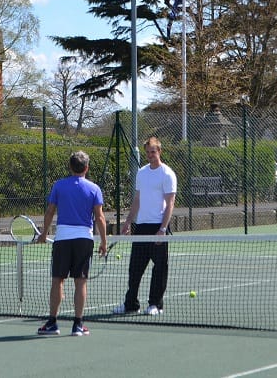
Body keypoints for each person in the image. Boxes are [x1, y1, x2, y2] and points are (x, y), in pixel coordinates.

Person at [37, 150, 107, 336]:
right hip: (84, 240)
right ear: (87, 168)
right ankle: (78, 325)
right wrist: (104, 242)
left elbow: (50, 211)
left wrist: (44, 233)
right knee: (80, 282)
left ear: (70, 167)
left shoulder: (59, 186)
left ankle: (52, 323)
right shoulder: (94, 189)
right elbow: (100, 218)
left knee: (57, 281)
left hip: (62, 240)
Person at [113, 136, 177, 316]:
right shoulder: (141, 173)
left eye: (153, 152)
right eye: (148, 152)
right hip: (141, 227)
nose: (150, 155)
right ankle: (131, 304)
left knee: (159, 268)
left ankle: (155, 304)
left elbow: (170, 203)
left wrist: (163, 229)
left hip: (158, 227)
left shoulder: (167, 174)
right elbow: (137, 199)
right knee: (135, 269)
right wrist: (128, 222)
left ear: (160, 152)